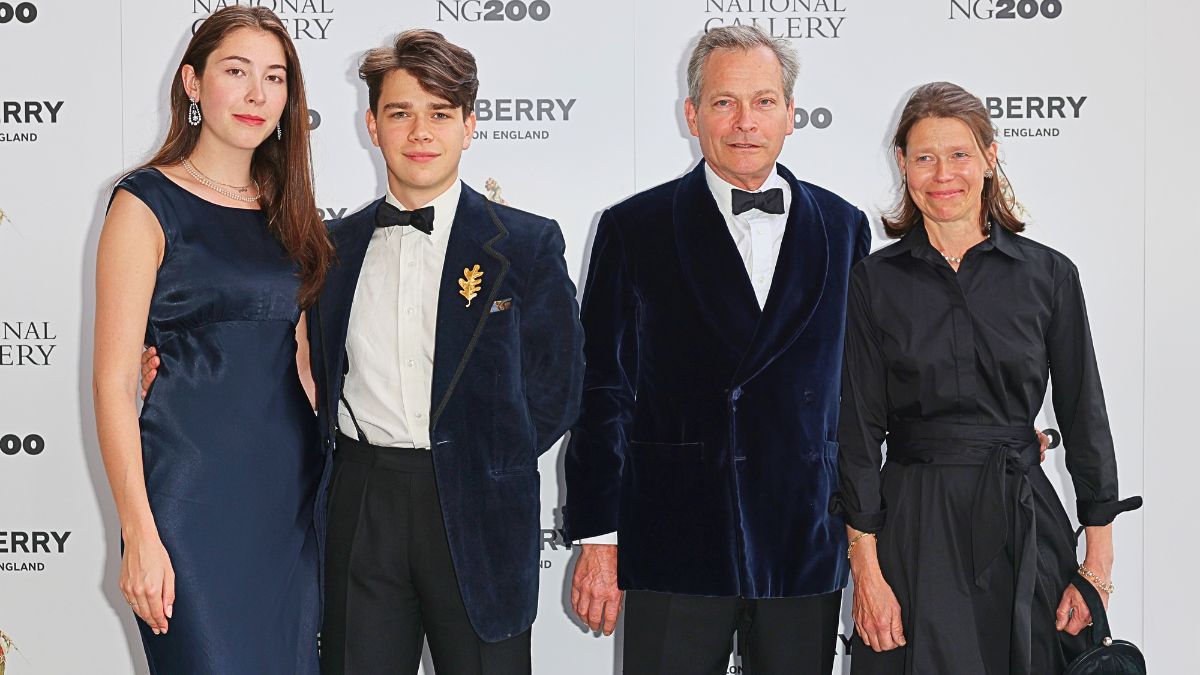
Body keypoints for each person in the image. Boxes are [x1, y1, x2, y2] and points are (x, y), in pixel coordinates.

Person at [564, 25, 871, 675]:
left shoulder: (845, 229)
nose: (744, 122)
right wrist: (598, 537)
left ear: (792, 113)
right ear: (692, 114)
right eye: (724, 102)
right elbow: (602, 393)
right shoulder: (634, 229)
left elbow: (863, 395)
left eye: (763, 101)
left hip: (803, 538)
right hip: (675, 539)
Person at [832, 81, 1142, 675]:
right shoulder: (872, 282)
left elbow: (1085, 418)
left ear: (990, 157)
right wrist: (865, 572)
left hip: (1023, 522)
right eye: (924, 157)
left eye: (959, 155)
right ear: (901, 164)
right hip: (912, 528)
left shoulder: (1048, 275)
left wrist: (1096, 564)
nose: (942, 173)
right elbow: (858, 432)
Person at [307, 30, 583, 674]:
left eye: (440, 113)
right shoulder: (328, 249)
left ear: (470, 125)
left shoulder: (527, 243)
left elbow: (559, 387)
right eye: (401, 112)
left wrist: (491, 454)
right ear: (372, 125)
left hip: (480, 510)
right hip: (361, 498)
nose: (420, 131)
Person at [93, 6, 331, 674]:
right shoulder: (144, 203)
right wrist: (140, 531)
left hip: (290, 506)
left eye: (275, 77)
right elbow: (113, 382)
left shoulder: (294, 214)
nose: (258, 94)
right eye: (237, 71)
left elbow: (312, 367)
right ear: (193, 84)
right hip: (188, 506)